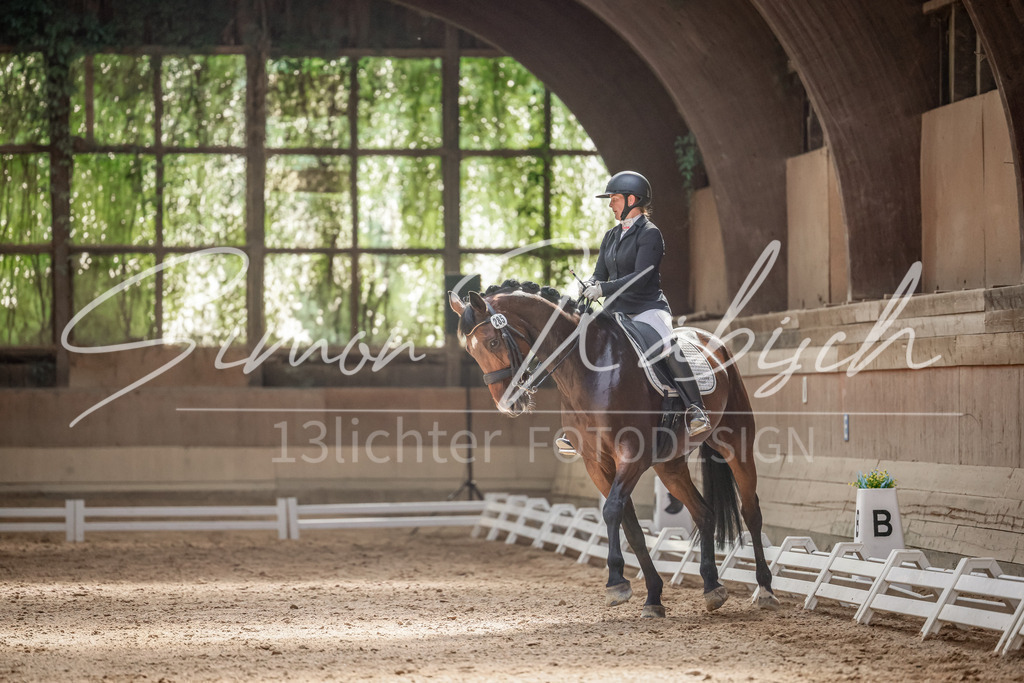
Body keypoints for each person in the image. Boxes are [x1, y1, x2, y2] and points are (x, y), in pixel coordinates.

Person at [582, 170, 710, 437]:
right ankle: (578, 424)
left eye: (614, 199)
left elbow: (640, 277)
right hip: (615, 310)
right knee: (586, 346)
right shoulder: (610, 236)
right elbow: (600, 273)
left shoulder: (650, 234)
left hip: (646, 308)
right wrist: (590, 284)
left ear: (632, 199)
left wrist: (602, 288)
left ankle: (696, 408)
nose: (610, 204)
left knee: (666, 343)